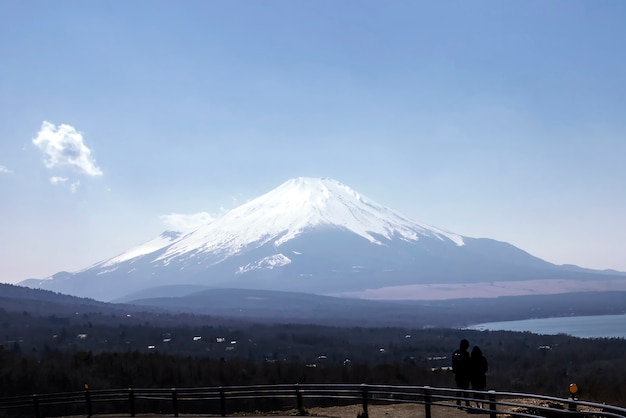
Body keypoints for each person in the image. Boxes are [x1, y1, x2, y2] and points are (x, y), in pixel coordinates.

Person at [452, 339, 471, 407]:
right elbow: (468, 364)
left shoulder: (455, 353)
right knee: (466, 389)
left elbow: (453, 364)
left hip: (457, 374)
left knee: (458, 389)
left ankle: (458, 403)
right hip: (465, 375)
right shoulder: (466, 354)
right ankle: (467, 403)